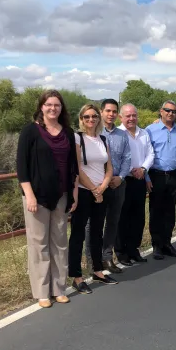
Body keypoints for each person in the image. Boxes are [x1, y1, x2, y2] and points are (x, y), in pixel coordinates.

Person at [16, 90, 79, 308]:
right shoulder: (30, 132)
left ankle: (59, 288)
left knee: (60, 244)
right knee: (39, 244)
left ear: (62, 108)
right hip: (37, 197)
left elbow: (73, 167)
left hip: (61, 195)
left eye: (57, 105)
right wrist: (29, 195)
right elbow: (21, 168)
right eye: (49, 104)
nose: (53, 108)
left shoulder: (68, 132)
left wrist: (73, 194)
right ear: (41, 106)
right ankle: (42, 292)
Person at [69, 104, 118, 294]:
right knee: (78, 235)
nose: (91, 120)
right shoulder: (77, 138)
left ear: (99, 118)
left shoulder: (102, 139)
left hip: (100, 191)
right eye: (87, 117)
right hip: (83, 191)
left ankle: (98, 270)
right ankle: (77, 277)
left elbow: (110, 167)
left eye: (94, 116)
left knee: (97, 233)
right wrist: (93, 189)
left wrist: (103, 187)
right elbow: (77, 168)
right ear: (81, 119)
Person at [85, 98, 131, 274]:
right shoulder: (92, 134)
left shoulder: (122, 135)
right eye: (108, 111)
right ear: (101, 112)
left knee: (113, 222)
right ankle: (92, 260)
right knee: (93, 224)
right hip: (97, 186)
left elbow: (127, 158)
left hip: (118, 184)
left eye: (114, 111)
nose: (111, 114)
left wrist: (120, 177)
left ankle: (106, 257)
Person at [145, 101, 176, 260]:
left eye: (174, 111)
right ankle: (157, 245)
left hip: (174, 175)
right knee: (156, 211)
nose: (171, 113)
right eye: (167, 110)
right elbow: (145, 154)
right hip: (156, 175)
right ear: (161, 111)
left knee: (170, 212)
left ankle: (166, 243)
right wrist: (146, 177)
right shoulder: (150, 130)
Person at [116, 103, 155, 265]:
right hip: (124, 180)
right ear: (121, 117)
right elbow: (116, 157)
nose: (131, 118)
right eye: (128, 116)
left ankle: (134, 249)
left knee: (138, 217)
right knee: (122, 217)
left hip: (140, 179)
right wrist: (132, 169)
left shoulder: (144, 133)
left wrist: (143, 169)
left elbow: (150, 154)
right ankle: (121, 252)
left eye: (134, 115)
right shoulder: (118, 134)